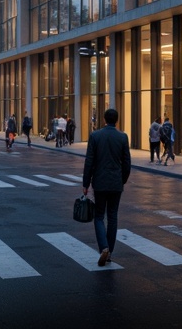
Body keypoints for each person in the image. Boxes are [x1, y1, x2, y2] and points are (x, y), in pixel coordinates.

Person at [81, 107, 132, 268]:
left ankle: (103, 247)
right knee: (113, 217)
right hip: (116, 183)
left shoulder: (95, 136)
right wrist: (122, 180)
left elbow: (89, 161)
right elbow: (127, 164)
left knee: (98, 216)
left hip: (100, 182)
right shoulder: (123, 137)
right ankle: (109, 253)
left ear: (104, 119)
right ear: (116, 120)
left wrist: (86, 183)